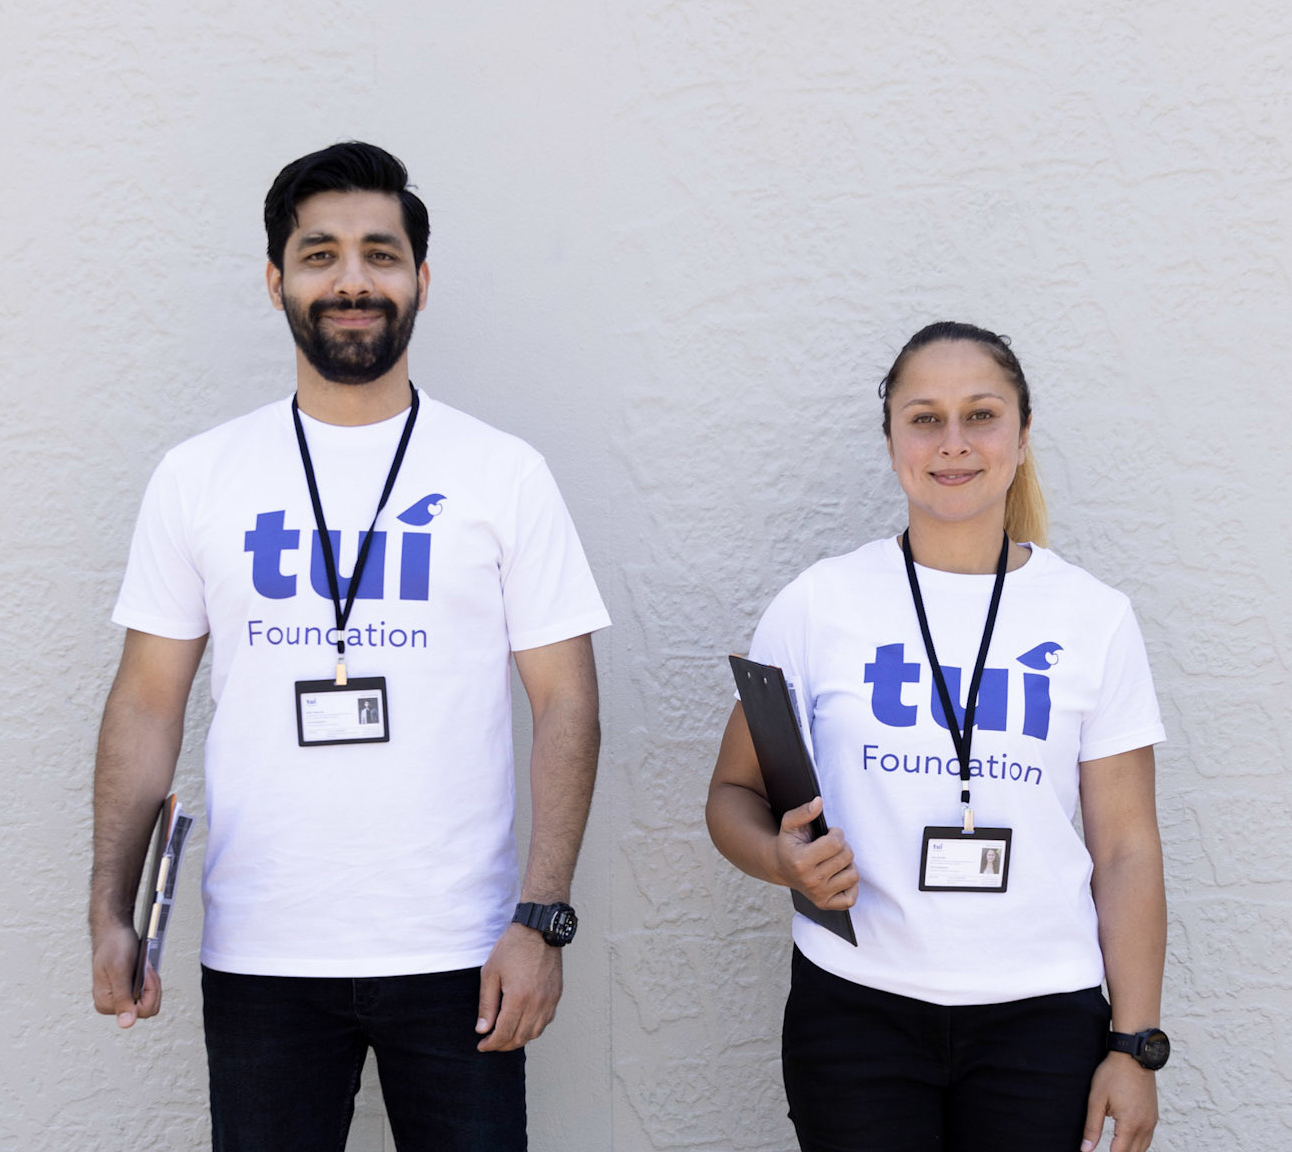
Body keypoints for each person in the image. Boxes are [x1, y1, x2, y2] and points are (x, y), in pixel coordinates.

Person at [89, 141, 608, 1152]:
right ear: (275, 280)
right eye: (320, 254)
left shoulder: (501, 473)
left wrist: (541, 919)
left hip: (462, 951)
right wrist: (111, 908)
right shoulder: (199, 477)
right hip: (262, 952)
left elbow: (566, 703)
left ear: (421, 280)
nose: (352, 280)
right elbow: (147, 702)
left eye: (380, 253)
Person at [704, 322, 1171, 1152]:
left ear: (1022, 436)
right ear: (892, 442)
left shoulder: (1094, 618)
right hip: (855, 1011)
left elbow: (1128, 849)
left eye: (980, 415)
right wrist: (779, 859)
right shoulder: (819, 605)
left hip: (1042, 1019)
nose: (953, 442)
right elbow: (732, 793)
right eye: (925, 419)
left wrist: (1134, 1046)